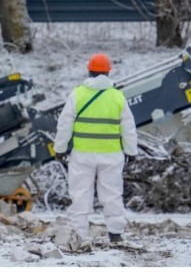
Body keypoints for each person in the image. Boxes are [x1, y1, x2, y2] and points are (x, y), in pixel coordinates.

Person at [53, 53, 138, 244]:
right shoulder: (117, 97)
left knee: (80, 193)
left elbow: (64, 124)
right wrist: (131, 151)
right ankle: (115, 234)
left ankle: (79, 234)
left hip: (82, 154)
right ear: (108, 72)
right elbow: (128, 127)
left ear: (89, 70)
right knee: (112, 193)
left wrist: (60, 148)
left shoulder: (78, 94)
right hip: (111, 154)